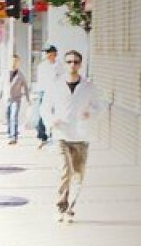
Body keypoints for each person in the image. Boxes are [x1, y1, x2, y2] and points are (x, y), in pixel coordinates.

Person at [41, 50, 105, 222]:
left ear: (80, 64)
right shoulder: (55, 85)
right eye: (69, 61)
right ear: (64, 63)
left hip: (81, 136)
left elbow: (100, 107)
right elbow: (45, 108)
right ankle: (60, 206)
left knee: (78, 175)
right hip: (61, 134)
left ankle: (70, 209)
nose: (72, 65)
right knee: (65, 171)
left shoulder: (89, 86)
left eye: (76, 62)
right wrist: (51, 120)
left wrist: (89, 113)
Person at [32, 45, 61, 148]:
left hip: (55, 93)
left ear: (55, 54)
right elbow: (40, 81)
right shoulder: (42, 66)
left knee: (54, 114)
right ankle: (42, 136)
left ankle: (53, 136)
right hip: (43, 92)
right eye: (46, 53)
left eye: (50, 52)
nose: (48, 55)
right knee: (40, 115)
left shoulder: (59, 66)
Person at [0, 54, 28, 145]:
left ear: (18, 63)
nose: (14, 63)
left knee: (14, 116)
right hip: (7, 99)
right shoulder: (5, 74)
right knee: (8, 116)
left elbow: (25, 87)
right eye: (12, 61)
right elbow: (1, 87)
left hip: (16, 99)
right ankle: (10, 133)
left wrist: (28, 99)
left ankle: (13, 137)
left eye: (16, 62)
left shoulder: (20, 75)